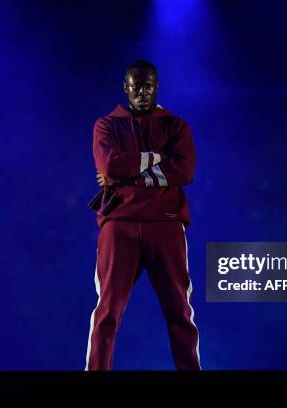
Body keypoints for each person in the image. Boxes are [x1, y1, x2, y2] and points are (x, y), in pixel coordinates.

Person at [85, 60, 201, 370]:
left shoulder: (175, 125)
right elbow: (110, 166)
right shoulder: (107, 125)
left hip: (166, 224)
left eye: (147, 85)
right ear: (125, 88)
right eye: (135, 85)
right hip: (119, 226)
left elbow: (185, 170)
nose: (141, 90)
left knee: (180, 312)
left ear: (156, 86)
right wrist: (158, 162)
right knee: (107, 312)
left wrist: (128, 174)